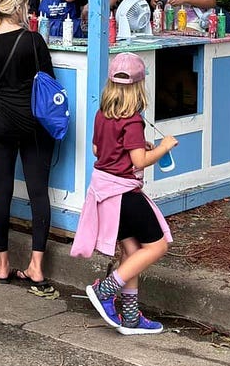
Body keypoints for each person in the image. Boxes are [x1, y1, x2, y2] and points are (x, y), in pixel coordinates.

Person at [72, 53, 175, 334]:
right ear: (140, 87)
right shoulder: (132, 121)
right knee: (156, 246)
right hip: (124, 193)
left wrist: (133, 147)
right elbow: (139, 162)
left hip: (103, 191)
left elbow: (97, 150)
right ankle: (105, 290)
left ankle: (129, 316)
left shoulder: (102, 114)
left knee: (131, 251)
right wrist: (163, 147)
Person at [0, 0, 57, 296]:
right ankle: (36, 266)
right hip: (32, 123)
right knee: (39, 192)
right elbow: (48, 80)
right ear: (20, 8)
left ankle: (1, 264)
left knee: (1, 191)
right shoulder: (32, 40)